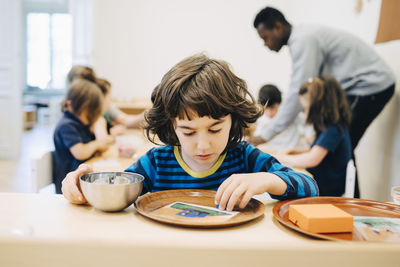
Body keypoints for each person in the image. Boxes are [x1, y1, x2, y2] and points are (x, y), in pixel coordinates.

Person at [62, 54, 319, 211]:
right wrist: (82, 184)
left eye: (215, 129)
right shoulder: (156, 163)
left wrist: (266, 179)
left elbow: (311, 188)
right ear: (172, 126)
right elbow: (117, 191)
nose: (203, 145)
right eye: (188, 132)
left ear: (233, 120)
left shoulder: (245, 158)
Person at [251, 7, 395, 151]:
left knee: (338, 146)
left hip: (371, 84)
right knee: (336, 145)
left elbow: (297, 94)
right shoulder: (302, 37)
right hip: (360, 87)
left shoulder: (303, 40)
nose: (265, 44)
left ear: (277, 27)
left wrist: (265, 136)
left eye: (265, 38)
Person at [276, 76, 352, 196]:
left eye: (306, 108)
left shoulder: (333, 129)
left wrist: (282, 158)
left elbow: (312, 159)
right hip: (322, 183)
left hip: (327, 190)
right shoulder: (331, 126)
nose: (306, 112)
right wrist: (293, 151)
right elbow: (316, 148)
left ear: (319, 106)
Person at [53, 79, 112, 194]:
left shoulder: (82, 122)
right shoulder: (66, 125)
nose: (89, 118)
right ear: (70, 105)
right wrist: (96, 144)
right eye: (86, 113)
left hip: (84, 178)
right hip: (70, 183)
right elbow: (80, 152)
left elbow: (104, 145)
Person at [253, 84, 306, 151]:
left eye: (272, 108)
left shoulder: (289, 114)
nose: (269, 113)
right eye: (266, 108)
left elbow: (308, 122)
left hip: (295, 151)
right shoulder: (261, 119)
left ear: (280, 103)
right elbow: (258, 138)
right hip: (277, 155)